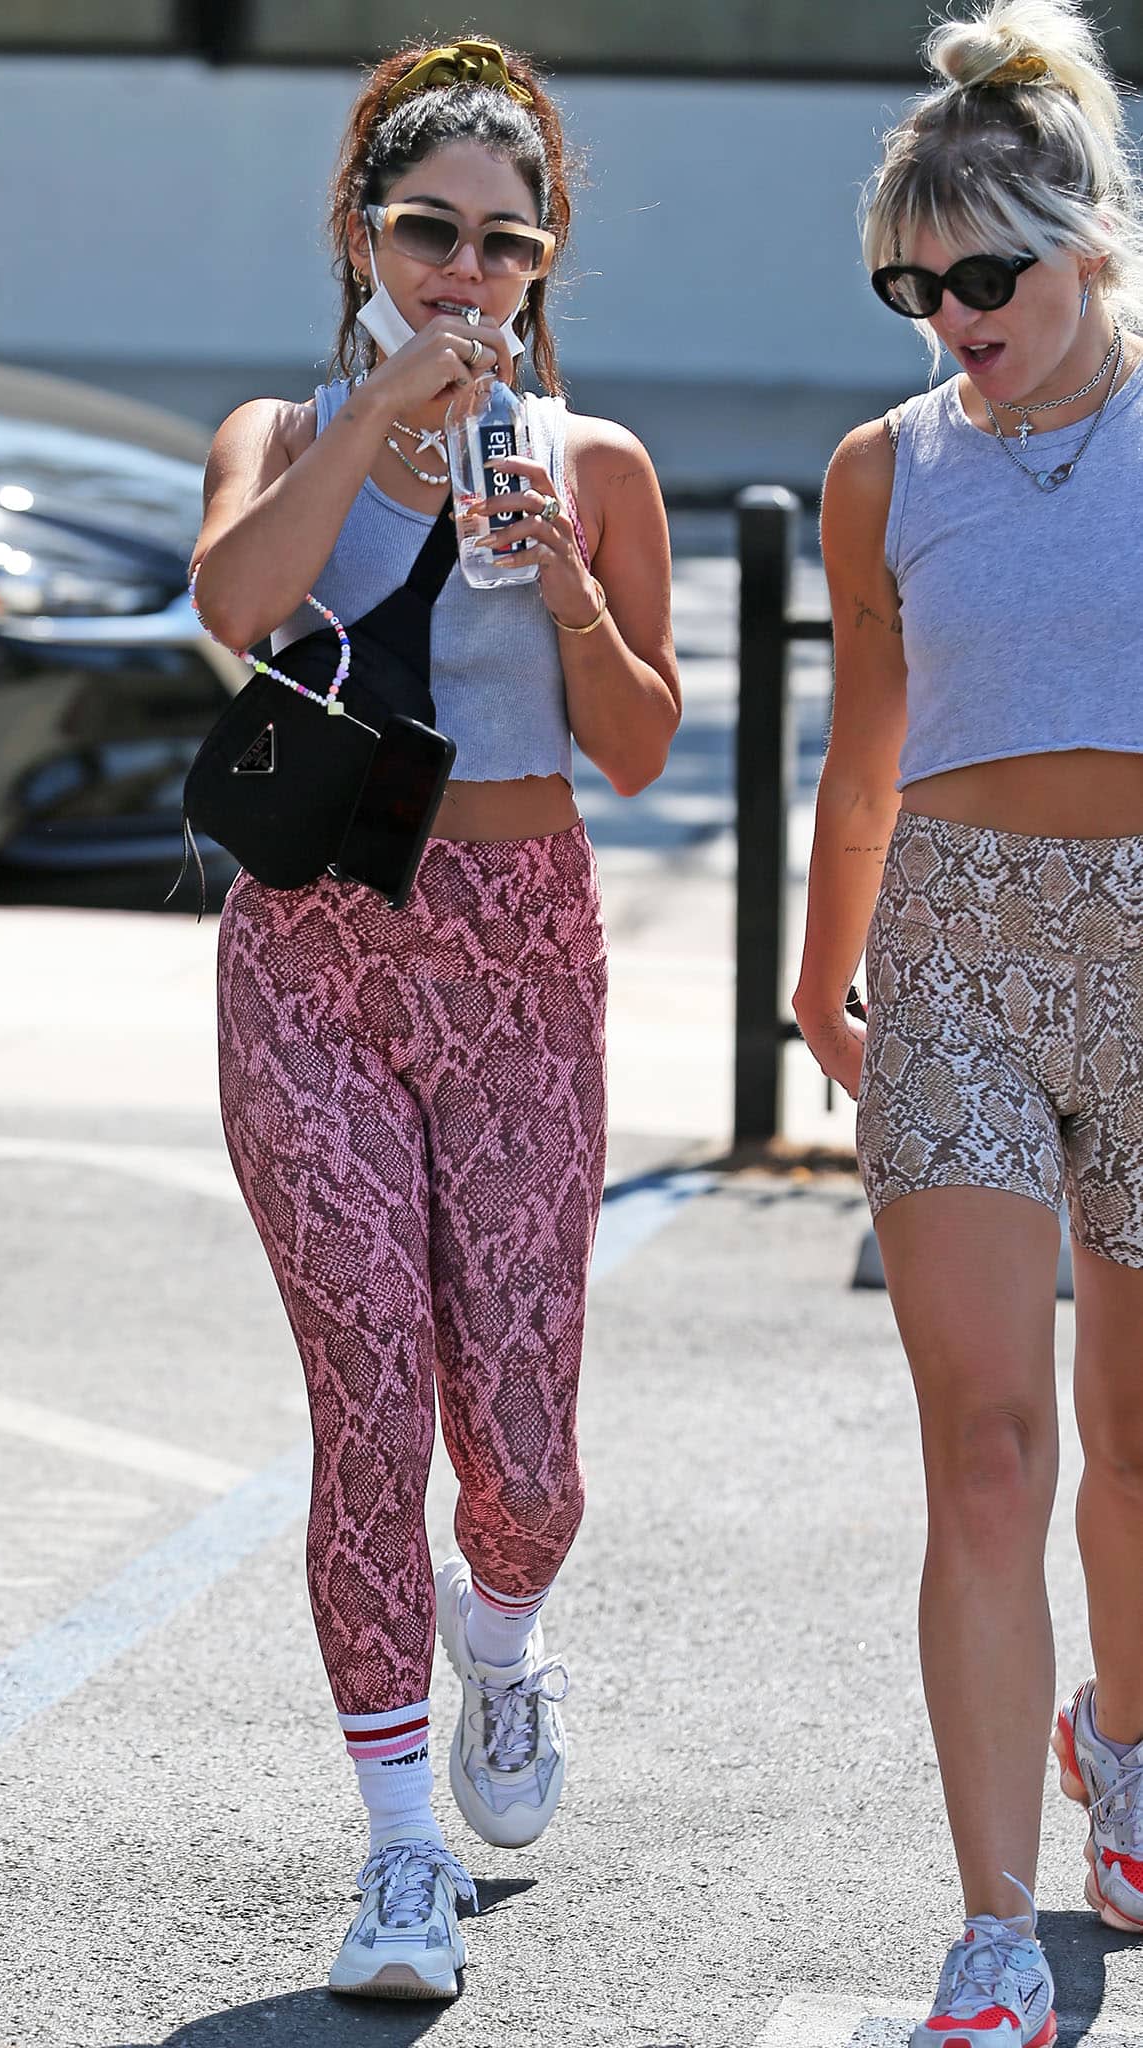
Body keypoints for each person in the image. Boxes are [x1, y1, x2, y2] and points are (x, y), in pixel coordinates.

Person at [191, 35, 679, 2003]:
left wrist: (565, 588)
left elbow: (639, 746)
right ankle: (399, 1848)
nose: (465, 272)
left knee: (527, 1458)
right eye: (428, 233)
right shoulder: (279, 426)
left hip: (522, 948)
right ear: (361, 236)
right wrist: (379, 414)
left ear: (543, 260)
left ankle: (504, 1630)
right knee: (372, 1398)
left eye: (503, 242)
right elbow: (238, 601)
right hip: (312, 948)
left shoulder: (598, 463)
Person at [797, 2, 1143, 2041]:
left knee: (1137, 1439)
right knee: (992, 1453)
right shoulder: (885, 469)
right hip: (950, 967)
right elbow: (865, 749)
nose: (950, 318)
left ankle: (1128, 1749)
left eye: (984, 276)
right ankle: (995, 1929)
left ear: (1086, 242)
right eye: (912, 288)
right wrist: (816, 963)